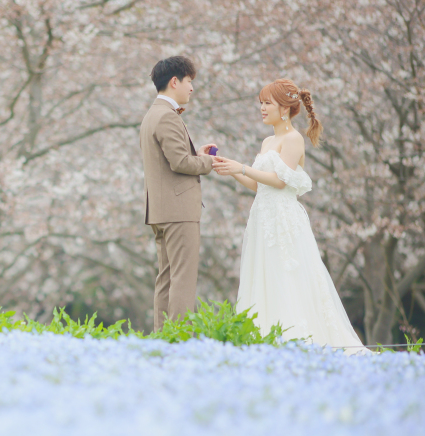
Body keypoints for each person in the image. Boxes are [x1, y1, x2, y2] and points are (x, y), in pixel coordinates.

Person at [211, 78, 365, 352]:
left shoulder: (293, 139)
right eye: (261, 103)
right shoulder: (268, 140)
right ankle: (264, 340)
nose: (262, 108)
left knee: (286, 275)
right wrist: (232, 169)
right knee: (264, 274)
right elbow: (260, 185)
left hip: (283, 220)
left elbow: (281, 181)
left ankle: (296, 341)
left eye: (267, 103)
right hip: (262, 217)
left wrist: (242, 167)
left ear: (284, 108)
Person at [139, 56, 217, 332]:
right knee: (183, 279)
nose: (192, 88)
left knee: (168, 278)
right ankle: (181, 340)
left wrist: (197, 155)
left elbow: (172, 159)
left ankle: (165, 337)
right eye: (189, 82)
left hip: (161, 211)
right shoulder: (166, 116)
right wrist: (209, 163)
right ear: (175, 82)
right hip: (178, 210)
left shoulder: (152, 115)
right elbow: (180, 163)